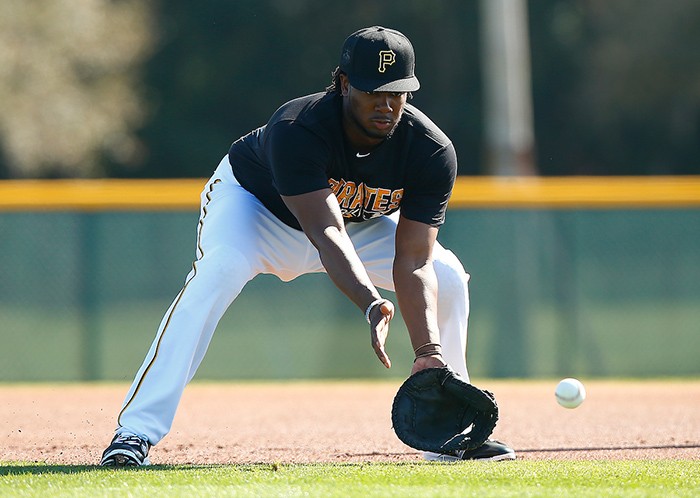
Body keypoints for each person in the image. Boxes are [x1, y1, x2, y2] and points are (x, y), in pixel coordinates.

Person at [99, 26, 515, 466]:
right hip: (257, 211)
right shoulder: (298, 127)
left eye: (397, 92)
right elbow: (324, 233)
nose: (386, 104)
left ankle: (453, 429)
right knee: (217, 271)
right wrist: (370, 303)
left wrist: (427, 353)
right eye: (373, 91)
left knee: (447, 278)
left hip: (354, 227)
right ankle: (134, 433)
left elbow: (413, 260)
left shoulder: (431, 151)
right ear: (343, 84)